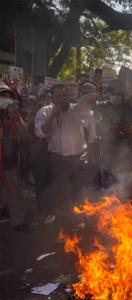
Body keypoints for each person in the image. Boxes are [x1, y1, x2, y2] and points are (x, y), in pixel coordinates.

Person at [34, 83, 97, 215]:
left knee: (79, 189)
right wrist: (53, 115)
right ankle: (64, 220)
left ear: (68, 96)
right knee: (61, 191)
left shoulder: (77, 109)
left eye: (64, 95)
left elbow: (91, 118)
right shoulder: (44, 111)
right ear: (53, 98)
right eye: (58, 96)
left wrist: (92, 103)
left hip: (79, 158)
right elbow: (40, 132)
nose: (62, 99)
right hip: (58, 160)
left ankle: (78, 217)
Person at [0, 83, 29, 231]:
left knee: (15, 190)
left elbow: (24, 134)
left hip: (10, 160)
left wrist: (16, 117)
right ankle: (5, 207)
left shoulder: (13, 114)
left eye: (7, 96)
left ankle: (18, 221)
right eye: (1, 96)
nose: (4, 99)